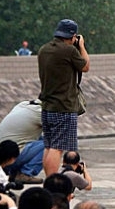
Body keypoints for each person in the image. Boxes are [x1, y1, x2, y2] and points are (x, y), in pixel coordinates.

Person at [37, 19, 89, 176]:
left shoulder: (44, 50)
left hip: (47, 106)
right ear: (72, 36)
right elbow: (85, 66)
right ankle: (53, 182)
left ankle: (48, 180)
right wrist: (81, 46)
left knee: (49, 145)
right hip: (63, 107)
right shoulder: (69, 51)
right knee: (57, 147)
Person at [0, 100, 46, 185]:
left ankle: (14, 172)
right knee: (51, 143)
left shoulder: (23, 105)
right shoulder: (41, 113)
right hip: (8, 159)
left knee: (40, 138)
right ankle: (26, 173)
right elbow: (59, 132)